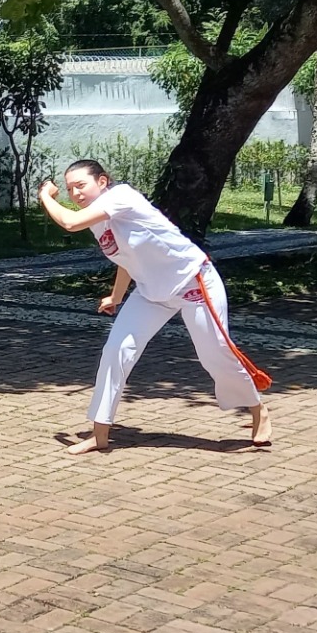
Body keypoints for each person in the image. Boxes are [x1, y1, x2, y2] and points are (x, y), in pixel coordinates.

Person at [38, 160, 271, 455]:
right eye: (70, 189)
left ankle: (257, 409)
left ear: (102, 181)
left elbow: (69, 223)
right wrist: (116, 296)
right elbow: (126, 258)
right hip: (151, 292)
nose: (75, 193)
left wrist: (46, 194)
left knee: (214, 355)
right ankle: (99, 435)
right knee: (116, 351)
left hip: (193, 282)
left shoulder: (121, 197)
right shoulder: (98, 220)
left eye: (80, 185)